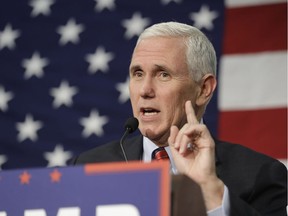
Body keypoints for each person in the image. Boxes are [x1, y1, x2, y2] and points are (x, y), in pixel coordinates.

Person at [71, 22, 287, 215]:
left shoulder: (259, 175)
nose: (145, 90)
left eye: (163, 74)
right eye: (138, 73)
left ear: (204, 89)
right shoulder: (88, 168)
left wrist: (209, 189)